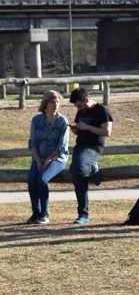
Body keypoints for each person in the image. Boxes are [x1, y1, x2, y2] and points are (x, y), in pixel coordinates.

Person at [68, 87, 113, 225]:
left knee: (79, 169)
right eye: (76, 106)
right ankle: (83, 214)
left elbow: (107, 131)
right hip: (80, 147)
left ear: (86, 99)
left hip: (93, 148)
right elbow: (79, 130)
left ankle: (93, 166)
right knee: (76, 173)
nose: (79, 109)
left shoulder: (102, 110)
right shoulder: (80, 111)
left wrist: (87, 127)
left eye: (79, 105)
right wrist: (75, 129)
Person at [26, 90, 70, 225]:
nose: (55, 105)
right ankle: (36, 213)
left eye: (57, 102)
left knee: (42, 179)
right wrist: (39, 161)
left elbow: (62, 146)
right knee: (32, 179)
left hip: (57, 158)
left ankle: (44, 214)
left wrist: (49, 160)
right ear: (45, 104)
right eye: (52, 102)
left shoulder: (62, 121)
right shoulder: (36, 120)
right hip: (39, 157)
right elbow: (32, 143)